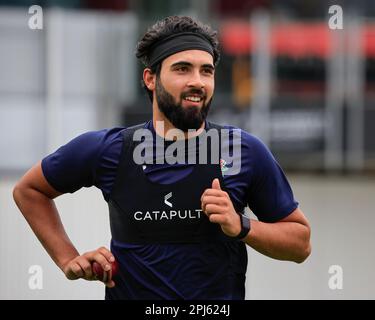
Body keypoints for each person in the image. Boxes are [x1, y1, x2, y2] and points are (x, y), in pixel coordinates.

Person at [13, 16, 311, 300]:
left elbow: (300, 243)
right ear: (150, 79)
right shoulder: (110, 150)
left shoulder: (242, 150)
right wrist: (68, 258)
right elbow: (29, 190)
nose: (198, 81)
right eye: (183, 69)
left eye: (206, 71)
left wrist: (242, 225)